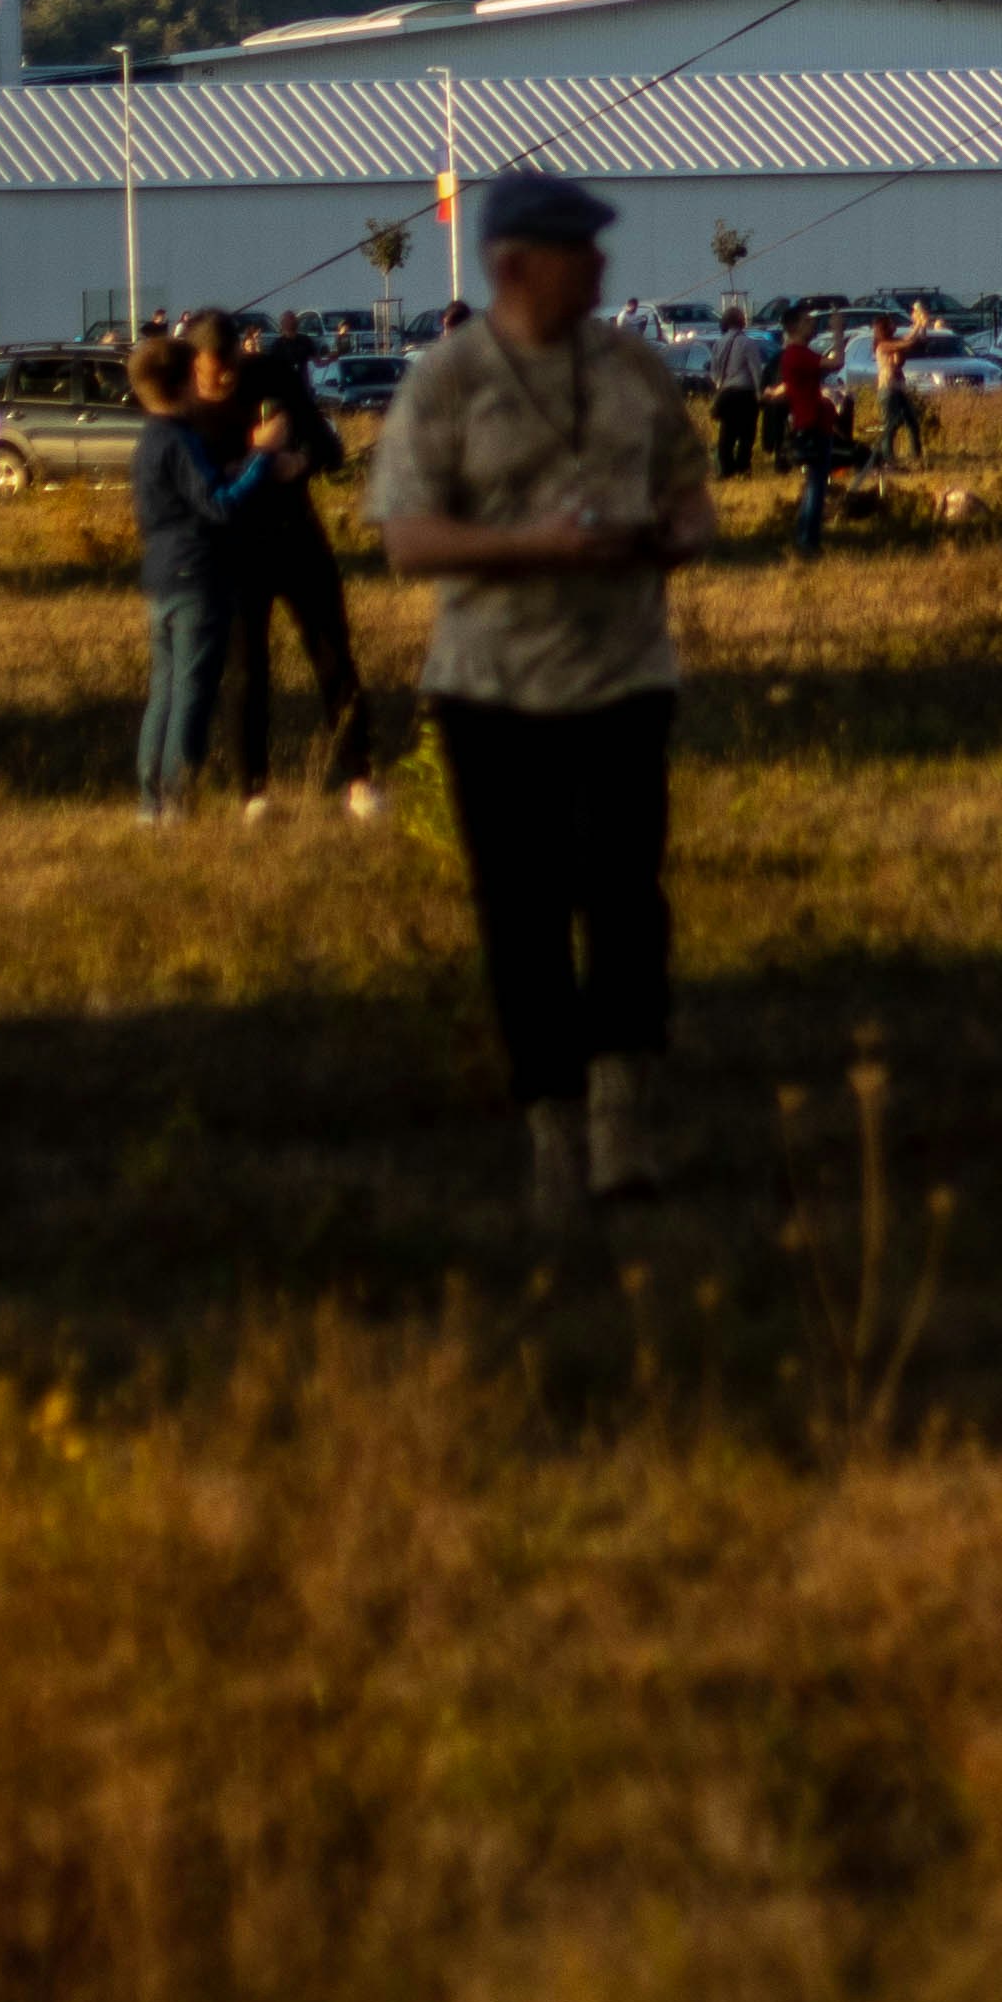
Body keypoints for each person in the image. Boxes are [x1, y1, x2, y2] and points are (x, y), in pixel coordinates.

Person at [365, 167, 718, 1222]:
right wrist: (536, 548)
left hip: (622, 677)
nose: (602, 266)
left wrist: (676, 535)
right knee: (519, 912)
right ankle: (552, 1131)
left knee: (623, 895)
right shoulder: (448, 382)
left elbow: (690, 489)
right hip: (491, 690)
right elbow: (407, 540)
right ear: (516, 265)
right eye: (581, 250)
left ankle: (622, 1116)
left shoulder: (635, 371)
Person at [186, 314, 377, 821]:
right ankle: (254, 792)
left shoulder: (272, 375)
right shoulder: (187, 411)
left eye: (228, 370)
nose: (219, 382)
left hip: (297, 540)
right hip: (235, 553)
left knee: (334, 657)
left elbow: (325, 443)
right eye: (210, 373)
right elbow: (202, 484)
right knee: (246, 672)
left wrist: (302, 459)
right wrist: (258, 455)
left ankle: (359, 778)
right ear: (195, 365)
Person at [131, 331, 259, 817]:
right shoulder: (181, 440)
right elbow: (219, 505)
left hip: (159, 575)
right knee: (193, 693)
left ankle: (150, 803)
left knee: (162, 692)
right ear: (186, 383)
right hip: (197, 575)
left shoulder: (147, 440)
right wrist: (260, 460)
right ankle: (179, 797)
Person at [771, 301, 843, 558]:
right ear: (795, 327)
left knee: (815, 483)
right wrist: (838, 331)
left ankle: (805, 536)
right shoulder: (799, 354)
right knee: (816, 485)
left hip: (810, 422)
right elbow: (836, 364)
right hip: (813, 425)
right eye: (807, 321)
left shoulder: (794, 355)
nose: (813, 324)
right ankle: (807, 541)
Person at [709, 304, 763, 484]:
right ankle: (743, 468)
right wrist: (759, 393)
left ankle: (726, 471)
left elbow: (714, 373)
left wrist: (720, 391)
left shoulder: (718, 343)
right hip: (745, 394)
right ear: (742, 322)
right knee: (746, 435)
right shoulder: (748, 343)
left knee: (727, 435)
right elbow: (756, 370)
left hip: (726, 393)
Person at [870, 315, 926, 471]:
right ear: (884, 328)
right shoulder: (883, 345)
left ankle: (916, 455)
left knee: (912, 422)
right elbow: (907, 343)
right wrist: (917, 325)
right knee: (890, 425)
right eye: (891, 323)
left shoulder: (893, 342)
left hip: (898, 389)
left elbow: (912, 340)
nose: (894, 325)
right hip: (887, 389)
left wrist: (920, 325)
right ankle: (887, 458)